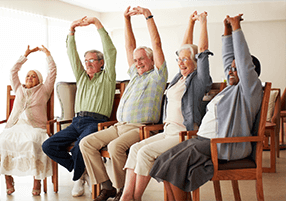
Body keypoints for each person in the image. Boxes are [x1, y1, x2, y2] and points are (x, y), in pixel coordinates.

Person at [149, 14, 262, 201]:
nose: (231, 71)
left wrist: (236, 28)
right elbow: (229, 59)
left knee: (173, 165)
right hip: (204, 140)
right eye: (231, 68)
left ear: (249, 72)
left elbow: (241, 61)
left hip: (223, 145)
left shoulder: (250, 90)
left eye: (237, 69)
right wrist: (226, 32)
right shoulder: (230, 89)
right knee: (163, 160)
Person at [120, 11, 213, 201]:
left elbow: (201, 50)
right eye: (179, 59)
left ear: (196, 62)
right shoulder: (179, 78)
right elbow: (184, 49)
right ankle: (126, 196)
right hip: (169, 130)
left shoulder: (198, 80)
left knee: (145, 153)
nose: (181, 62)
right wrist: (189, 21)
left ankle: (135, 198)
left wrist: (203, 22)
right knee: (136, 148)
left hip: (184, 133)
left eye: (186, 59)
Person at [79, 6, 167, 201]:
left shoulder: (158, 76)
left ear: (152, 59)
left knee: (115, 147)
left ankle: (122, 191)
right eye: (136, 60)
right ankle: (106, 185)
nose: (138, 62)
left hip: (141, 128)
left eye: (142, 58)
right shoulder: (135, 75)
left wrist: (147, 16)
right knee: (86, 143)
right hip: (119, 126)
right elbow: (129, 47)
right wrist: (126, 19)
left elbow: (157, 43)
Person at [42, 16, 117, 197]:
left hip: (95, 122)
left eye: (92, 60)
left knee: (80, 147)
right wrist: (71, 29)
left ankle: (77, 178)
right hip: (76, 122)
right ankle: (81, 172)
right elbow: (71, 54)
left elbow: (110, 51)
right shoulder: (82, 77)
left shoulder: (107, 77)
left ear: (101, 63)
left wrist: (98, 24)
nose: (88, 63)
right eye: (86, 61)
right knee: (48, 145)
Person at [0, 45, 56, 196]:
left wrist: (47, 54)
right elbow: (13, 71)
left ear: (39, 80)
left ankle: (37, 180)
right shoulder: (19, 88)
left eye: (33, 76)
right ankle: (8, 179)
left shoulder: (44, 89)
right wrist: (25, 55)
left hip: (35, 128)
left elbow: (53, 72)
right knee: (0, 143)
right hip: (15, 126)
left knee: (32, 143)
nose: (29, 78)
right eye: (28, 75)